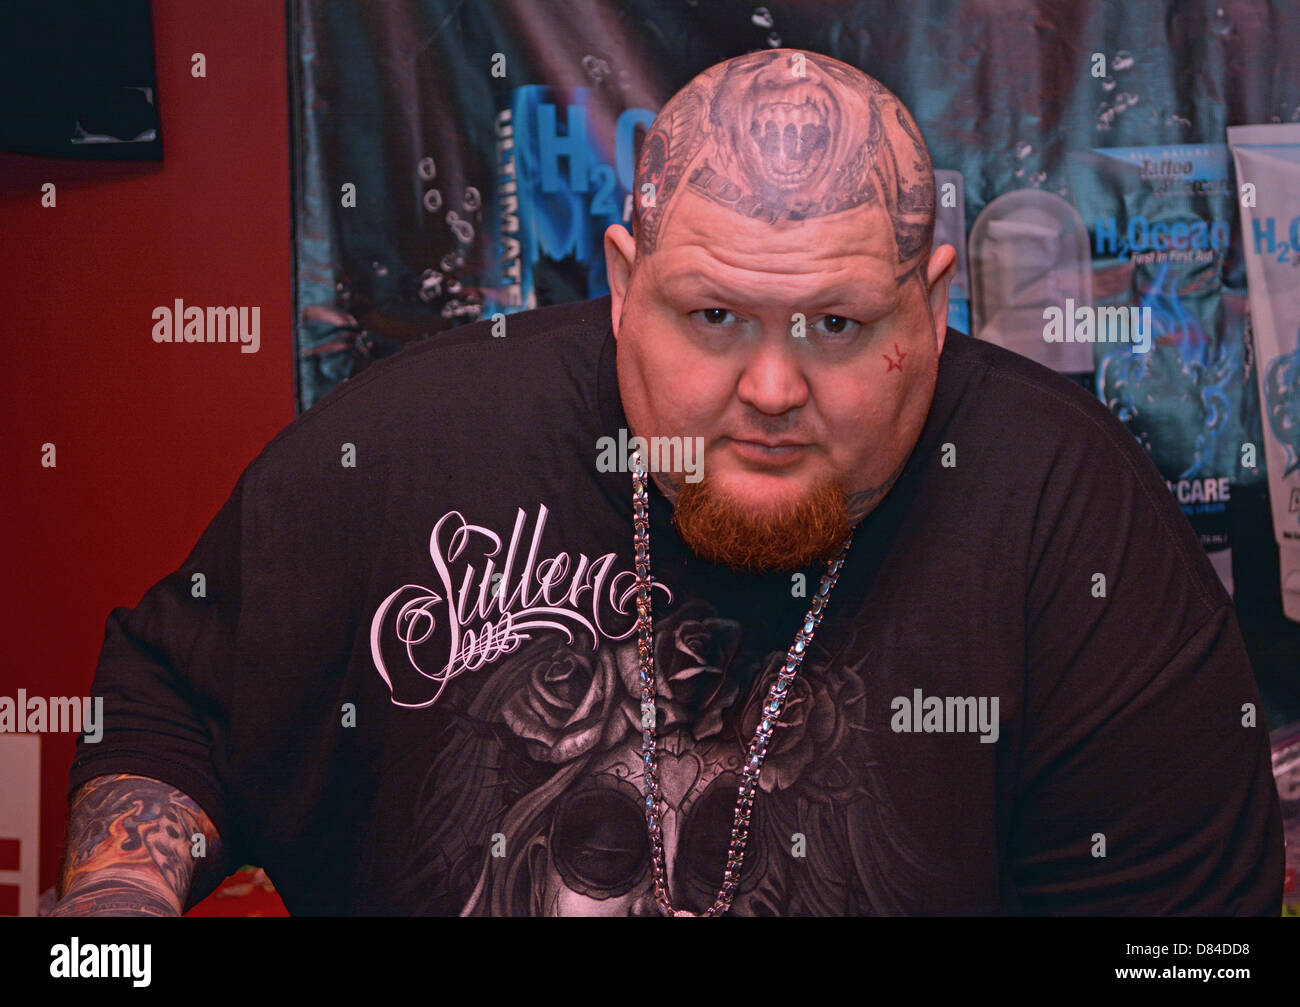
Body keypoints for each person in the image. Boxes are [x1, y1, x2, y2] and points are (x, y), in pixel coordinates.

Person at [53, 49, 1283, 917]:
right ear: (625, 282)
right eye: (710, 314)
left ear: (935, 300)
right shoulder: (408, 440)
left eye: (838, 325)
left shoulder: (1069, 515)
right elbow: (178, 700)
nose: (768, 388)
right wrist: (115, 910)